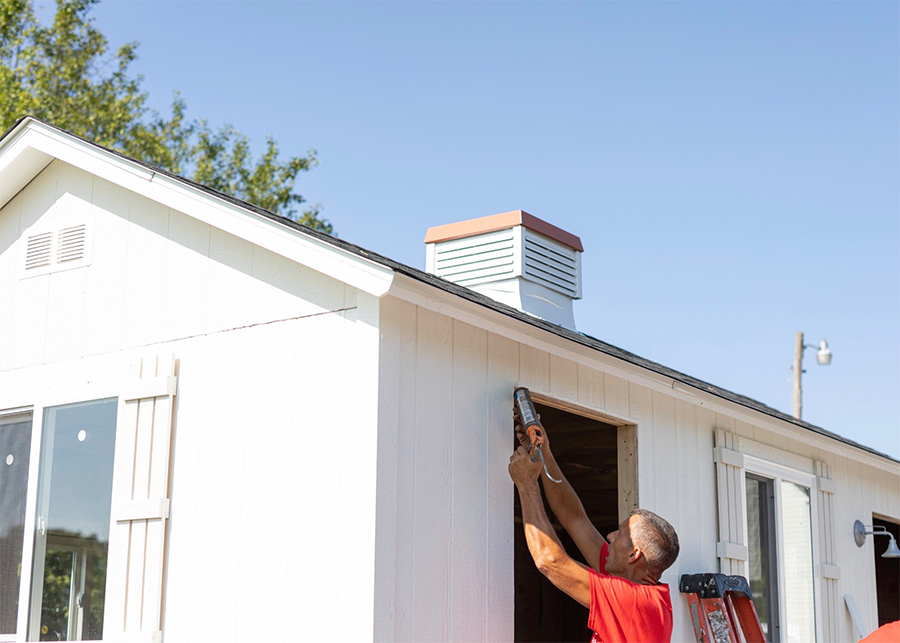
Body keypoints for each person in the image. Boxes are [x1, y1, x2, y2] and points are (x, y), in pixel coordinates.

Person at [509, 413, 680, 643]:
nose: (609, 536)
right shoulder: (634, 585)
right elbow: (575, 519)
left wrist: (527, 485)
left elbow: (550, 561)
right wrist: (544, 451)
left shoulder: (633, 602)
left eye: (620, 534)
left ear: (633, 555)